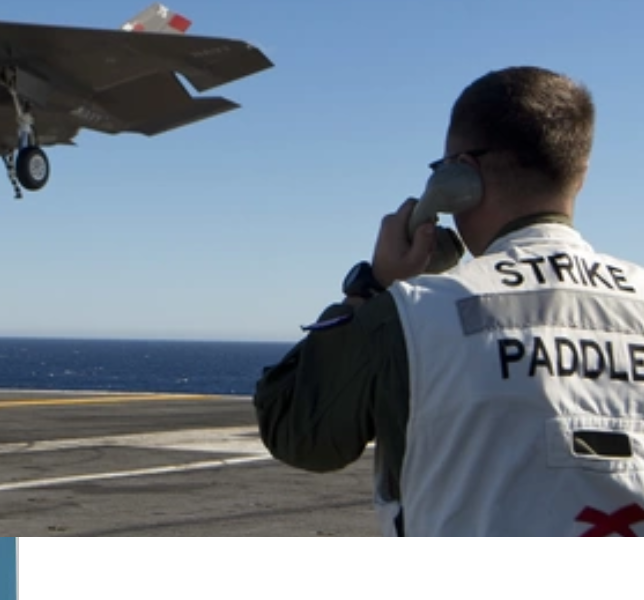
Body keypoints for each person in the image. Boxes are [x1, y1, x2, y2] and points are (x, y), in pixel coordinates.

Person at [254, 66, 643, 537]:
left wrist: (372, 287)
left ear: (462, 175)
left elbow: (300, 432)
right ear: (578, 176)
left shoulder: (414, 313)